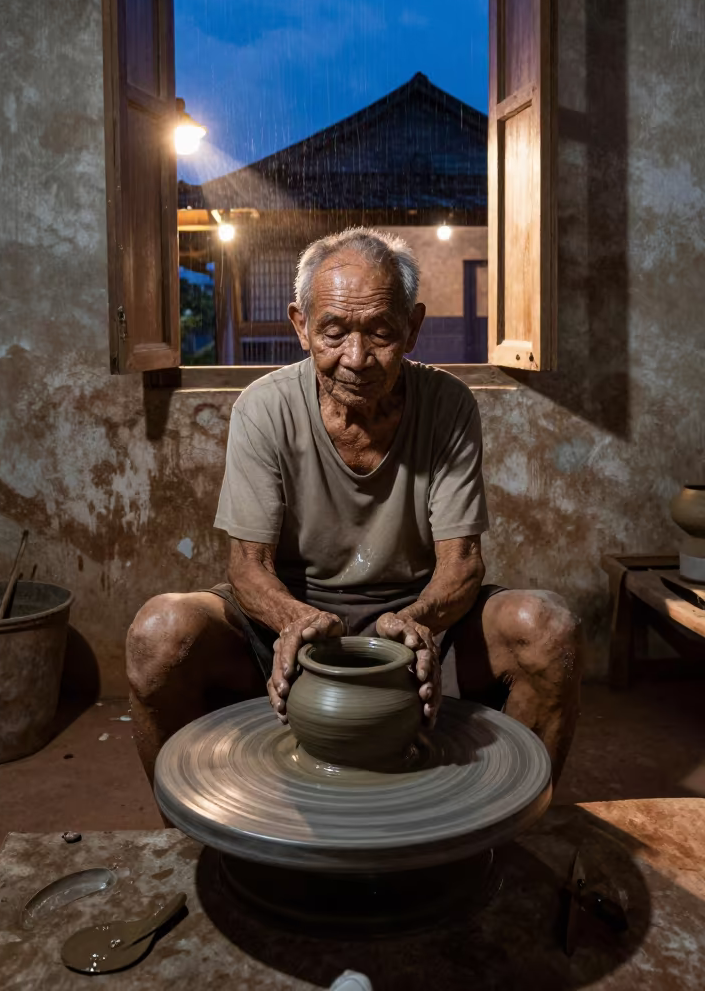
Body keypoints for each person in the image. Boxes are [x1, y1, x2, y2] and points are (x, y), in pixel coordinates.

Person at [127, 228, 581, 787]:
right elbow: (248, 567)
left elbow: (461, 564)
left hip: (415, 613)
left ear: (413, 328)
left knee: (547, 628)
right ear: (300, 326)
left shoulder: (447, 405)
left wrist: (414, 623)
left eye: (382, 332)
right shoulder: (264, 408)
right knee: (159, 633)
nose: (357, 358)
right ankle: (188, 847)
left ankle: (516, 836)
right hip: (289, 613)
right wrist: (298, 621)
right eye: (334, 332)